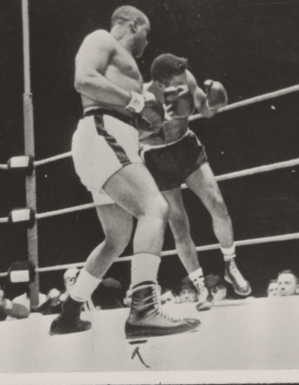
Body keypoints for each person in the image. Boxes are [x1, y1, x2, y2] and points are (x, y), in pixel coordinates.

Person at [50, 6, 196, 340]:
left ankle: (69, 313)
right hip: (102, 134)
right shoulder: (101, 39)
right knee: (155, 208)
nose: (147, 40)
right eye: (146, 32)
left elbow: (133, 119)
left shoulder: (127, 72)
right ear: (133, 24)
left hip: (110, 139)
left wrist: (153, 121)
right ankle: (144, 309)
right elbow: (83, 80)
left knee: (116, 239)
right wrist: (136, 102)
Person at [140, 53, 250, 311]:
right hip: (157, 157)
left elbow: (205, 111)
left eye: (183, 82)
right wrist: (156, 122)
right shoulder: (141, 96)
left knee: (218, 204)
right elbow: (132, 132)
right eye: (174, 84)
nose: (182, 86)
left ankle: (230, 265)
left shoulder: (186, 79)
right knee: (179, 225)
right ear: (158, 83)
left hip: (187, 149)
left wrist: (214, 102)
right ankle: (201, 288)